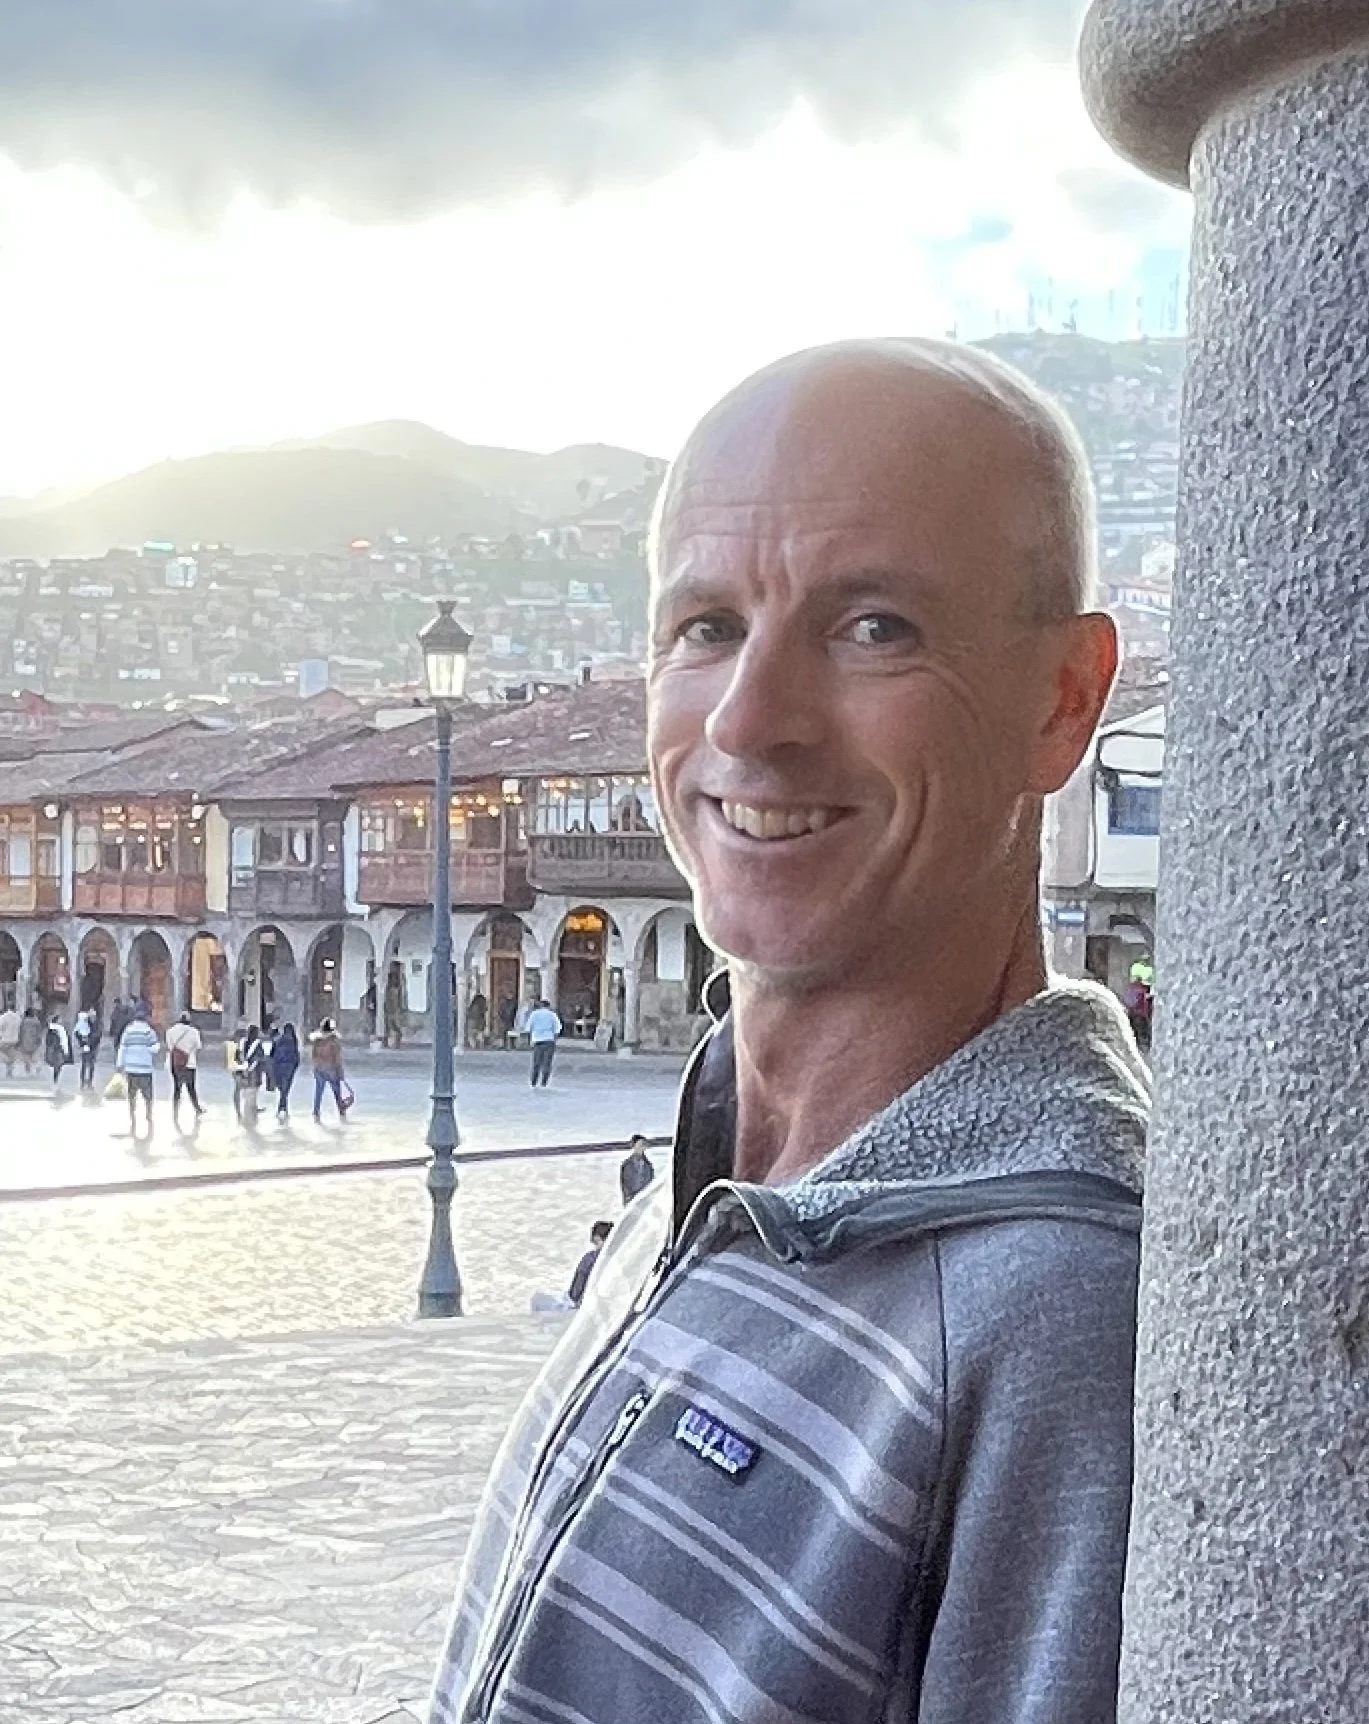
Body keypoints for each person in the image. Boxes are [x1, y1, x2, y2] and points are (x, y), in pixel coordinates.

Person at [428, 339, 1149, 1724]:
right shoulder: (698, 1194)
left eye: (873, 626)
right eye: (704, 626)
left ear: (1061, 698)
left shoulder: (1052, 1322)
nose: (750, 721)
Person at [116, 1005, 160, 1136]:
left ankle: (132, 1115)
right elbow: (155, 1048)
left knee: (132, 1094)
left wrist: (120, 1064)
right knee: (148, 1095)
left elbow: (122, 1048)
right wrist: (146, 1051)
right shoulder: (149, 1031)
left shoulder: (128, 1031)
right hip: (145, 1068)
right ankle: (148, 1114)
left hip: (131, 1068)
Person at [164, 1013, 205, 1125]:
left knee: (177, 1088)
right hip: (189, 1063)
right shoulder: (194, 1032)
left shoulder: (170, 1031)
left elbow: (169, 1046)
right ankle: (197, 1108)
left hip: (175, 1063)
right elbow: (198, 1046)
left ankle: (175, 1110)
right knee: (191, 1087)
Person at [565, 1219, 613, 1306]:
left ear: (596, 1238)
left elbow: (577, 1287)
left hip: (589, 1305)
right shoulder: (620, 1256)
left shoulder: (590, 1258)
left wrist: (575, 1298)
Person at [309, 1017, 349, 1121]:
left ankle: (316, 1112)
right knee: (337, 1092)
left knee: (318, 1092)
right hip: (331, 1069)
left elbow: (314, 1056)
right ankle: (341, 1112)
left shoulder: (317, 1041)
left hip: (319, 1069)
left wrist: (315, 1067)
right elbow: (337, 1058)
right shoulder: (333, 1041)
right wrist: (341, 1072)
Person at [270, 1023, 301, 1122]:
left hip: (279, 1066)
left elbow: (272, 1053)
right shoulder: (293, 1041)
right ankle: (282, 1108)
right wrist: (295, 1066)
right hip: (289, 1067)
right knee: (285, 1089)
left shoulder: (279, 1040)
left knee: (282, 1089)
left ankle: (282, 1108)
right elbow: (296, 1055)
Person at [525, 997, 558, 1087]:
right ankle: (544, 1083)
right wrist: (554, 1040)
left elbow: (528, 1028)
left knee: (536, 1063)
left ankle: (533, 1082)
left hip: (537, 1040)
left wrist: (530, 1040)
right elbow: (557, 1029)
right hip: (549, 1040)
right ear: (548, 1006)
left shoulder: (534, 1014)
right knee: (547, 1063)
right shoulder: (552, 1015)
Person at [618, 1133, 654, 1205]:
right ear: (634, 1145)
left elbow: (651, 1184)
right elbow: (625, 1186)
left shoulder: (648, 1166)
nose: (642, 1146)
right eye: (640, 1144)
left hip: (646, 1202)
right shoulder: (626, 1165)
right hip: (632, 1202)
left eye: (644, 1144)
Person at [73, 1008, 100, 1090]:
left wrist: (90, 1042)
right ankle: (82, 1082)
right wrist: (82, 1043)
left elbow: (98, 1034)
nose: (93, 1018)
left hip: (93, 1047)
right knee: (84, 1064)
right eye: (91, 1016)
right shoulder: (84, 1023)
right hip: (85, 1046)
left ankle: (90, 1082)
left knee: (91, 1065)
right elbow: (77, 1033)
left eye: (94, 1016)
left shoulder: (97, 1024)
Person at [43, 1013, 71, 1090]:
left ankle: (54, 1080)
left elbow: (47, 1041)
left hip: (52, 1049)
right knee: (58, 1065)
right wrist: (66, 1051)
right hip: (59, 1049)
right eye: (60, 1019)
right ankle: (55, 1080)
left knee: (55, 1065)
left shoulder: (49, 1029)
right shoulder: (61, 1029)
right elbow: (64, 1041)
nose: (62, 1020)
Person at [17, 1008, 41, 1077]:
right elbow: (39, 1032)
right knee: (34, 1055)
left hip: (25, 1040)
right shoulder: (37, 1022)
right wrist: (39, 1040)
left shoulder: (24, 1021)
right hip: (34, 1040)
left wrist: (19, 1040)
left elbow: (20, 1032)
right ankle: (36, 1067)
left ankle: (28, 1070)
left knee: (26, 1056)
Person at [0, 1002, 20, 1078]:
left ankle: (6, 1061)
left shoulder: (4, 1017)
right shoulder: (18, 1017)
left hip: (5, 1039)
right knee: (11, 1055)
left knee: (3, 1053)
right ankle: (9, 1071)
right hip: (15, 1040)